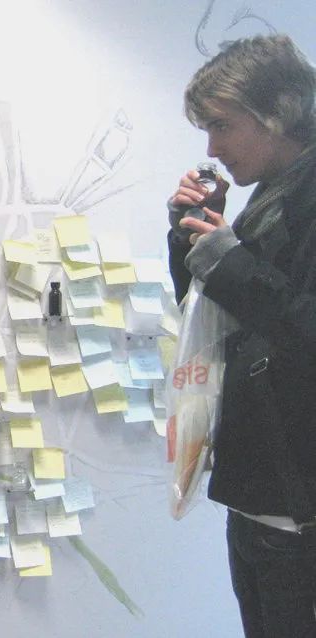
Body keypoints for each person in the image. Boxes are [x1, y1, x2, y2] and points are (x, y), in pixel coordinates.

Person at [167, 34, 316, 637]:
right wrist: (190, 239)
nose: (212, 147)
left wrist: (229, 260)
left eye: (222, 125)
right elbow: (216, 322)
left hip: (299, 513)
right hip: (263, 498)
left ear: (277, 112)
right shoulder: (274, 198)